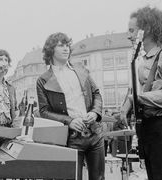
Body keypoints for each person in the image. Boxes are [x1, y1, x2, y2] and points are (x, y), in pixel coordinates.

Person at [121, 6, 162, 180]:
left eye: (132, 30)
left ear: (146, 30)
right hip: (150, 131)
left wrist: (139, 99)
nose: (129, 35)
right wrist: (127, 105)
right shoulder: (143, 62)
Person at [36, 32, 104, 180]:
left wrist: (95, 112)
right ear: (51, 50)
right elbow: (43, 111)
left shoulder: (80, 69)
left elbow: (96, 93)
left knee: (98, 178)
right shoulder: (43, 80)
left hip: (95, 133)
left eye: (67, 45)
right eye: (61, 45)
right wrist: (69, 121)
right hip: (70, 138)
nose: (66, 48)